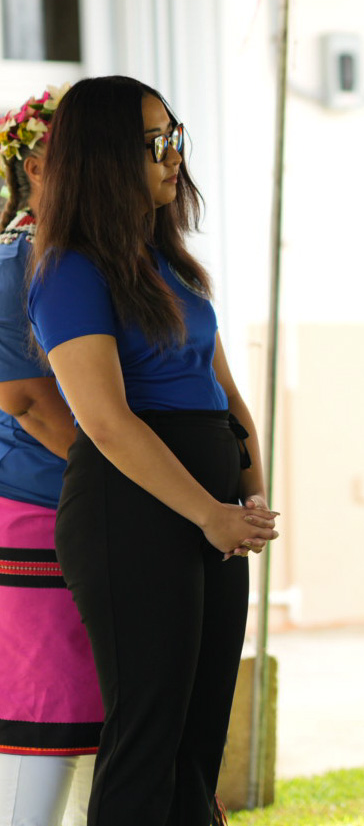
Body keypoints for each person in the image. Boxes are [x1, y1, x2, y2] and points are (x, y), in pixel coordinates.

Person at [26, 76, 279, 826]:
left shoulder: (172, 265)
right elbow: (103, 419)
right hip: (133, 512)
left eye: (175, 136)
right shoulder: (69, 269)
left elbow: (223, 392)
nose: (174, 156)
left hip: (211, 512)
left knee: (198, 740)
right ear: (104, 157)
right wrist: (209, 512)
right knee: (149, 731)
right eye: (154, 142)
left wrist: (248, 498)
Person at [0, 86, 102, 826]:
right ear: (34, 167)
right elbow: (31, 404)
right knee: (50, 724)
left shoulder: (101, 258)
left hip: (95, 506)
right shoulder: (15, 263)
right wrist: (144, 481)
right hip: (38, 511)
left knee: (102, 726)